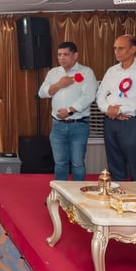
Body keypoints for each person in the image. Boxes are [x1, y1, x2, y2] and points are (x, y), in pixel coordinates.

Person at [96, 34, 136, 181]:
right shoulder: (112, 71)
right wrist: (109, 110)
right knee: (114, 161)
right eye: (115, 48)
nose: (116, 52)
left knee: (135, 162)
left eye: (121, 48)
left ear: (133, 49)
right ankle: (117, 191)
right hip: (110, 120)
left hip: (132, 121)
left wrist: (120, 110)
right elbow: (100, 95)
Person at [38, 42, 98, 181]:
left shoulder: (86, 72)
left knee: (77, 164)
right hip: (57, 126)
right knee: (60, 164)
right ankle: (61, 192)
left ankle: (78, 193)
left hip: (78, 125)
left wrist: (69, 111)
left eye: (66, 54)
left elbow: (89, 96)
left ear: (75, 55)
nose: (62, 58)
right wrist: (59, 84)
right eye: (59, 54)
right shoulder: (54, 73)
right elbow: (42, 93)